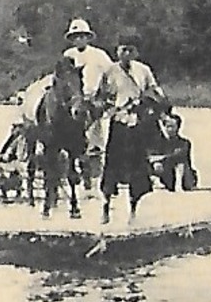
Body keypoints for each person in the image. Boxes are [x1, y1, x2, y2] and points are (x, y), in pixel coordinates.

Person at [96, 37, 165, 223]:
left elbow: (154, 90)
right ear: (117, 51)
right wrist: (110, 108)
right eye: (123, 50)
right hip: (119, 123)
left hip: (138, 123)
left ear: (135, 53)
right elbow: (101, 97)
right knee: (112, 165)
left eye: (130, 50)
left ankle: (134, 210)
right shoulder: (110, 72)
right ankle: (106, 207)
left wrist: (152, 102)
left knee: (138, 166)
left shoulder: (143, 70)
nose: (126, 54)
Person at [61, 18, 115, 193]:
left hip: (93, 100)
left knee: (95, 137)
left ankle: (93, 179)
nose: (79, 40)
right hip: (74, 101)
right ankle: (75, 170)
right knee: (71, 135)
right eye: (75, 37)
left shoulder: (99, 55)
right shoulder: (68, 55)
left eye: (82, 36)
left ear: (88, 38)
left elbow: (111, 76)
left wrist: (103, 97)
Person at [0, 117, 32, 207]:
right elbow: (5, 153)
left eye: (18, 127)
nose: (14, 129)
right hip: (14, 164)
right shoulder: (13, 139)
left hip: (23, 164)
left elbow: (21, 156)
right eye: (14, 127)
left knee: (1, 169)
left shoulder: (25, 139)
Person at [149, 109, 199, 192]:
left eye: (172, 126)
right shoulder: (159, 142)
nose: (169, 129)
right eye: (167, 126)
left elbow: (178, 156)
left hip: (184, 176)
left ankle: (179, 185)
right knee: (156, 165)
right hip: (168, 173)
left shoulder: (184, 142)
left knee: (180, 163)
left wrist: (161, 158)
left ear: (178, 128)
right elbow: (149, 156)